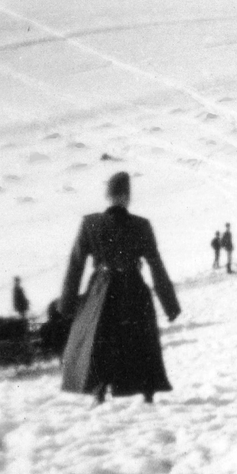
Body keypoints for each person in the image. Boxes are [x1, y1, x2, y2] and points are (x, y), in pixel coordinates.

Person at [58, 171, 180, 405]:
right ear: (126, 196)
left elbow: (76, 265)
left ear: (108, 195)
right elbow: (156, 265)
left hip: (101, 291)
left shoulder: (90, 223)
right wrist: (170, 305)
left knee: (99, 338)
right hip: (133, 287)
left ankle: (98, 389)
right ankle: (146, 390)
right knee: (139, 338)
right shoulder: (141, 225)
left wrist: (67, 304)